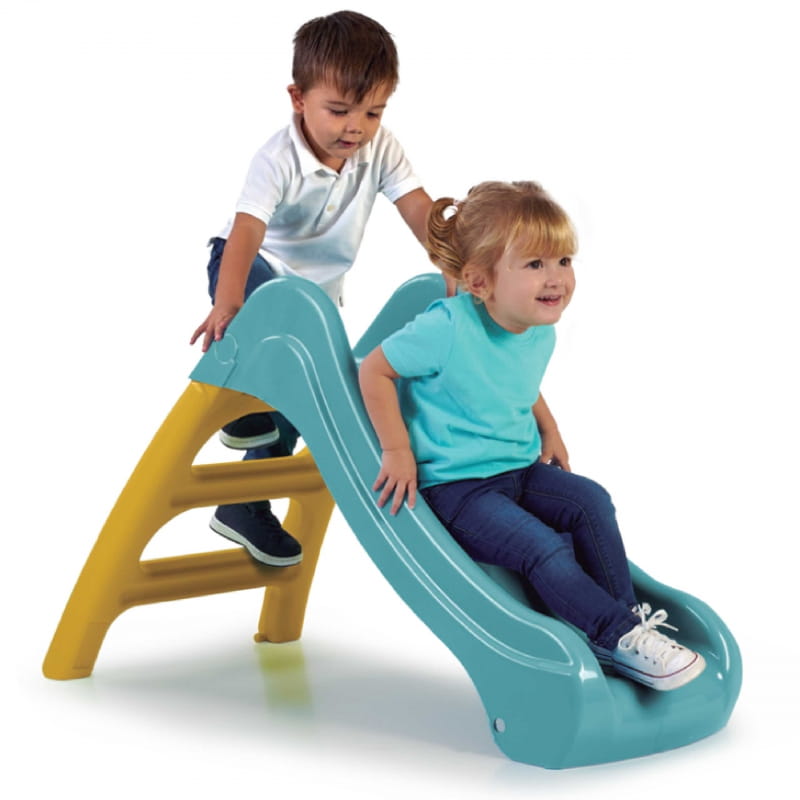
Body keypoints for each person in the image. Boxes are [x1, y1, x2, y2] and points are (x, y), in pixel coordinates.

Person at [358, 181, 706, 691]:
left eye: (563, 260)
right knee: (542, 548)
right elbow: (374, 369)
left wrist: (549, 426)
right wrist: (396, 450)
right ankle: (615, 634)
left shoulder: (538, 327)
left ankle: (625, 625)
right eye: (535, 264)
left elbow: (516, 382)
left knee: (591, 501)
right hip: (457, 489)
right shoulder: (445, 328)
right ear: (480, 282)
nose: (556, 277)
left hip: (518, 470)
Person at [188, 11, 434, 567]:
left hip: (315, 301)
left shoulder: (380, 149)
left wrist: (456, 258)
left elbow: (418, 209)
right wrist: (228, 302)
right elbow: (247, 230)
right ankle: (244, 400)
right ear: (298, 98)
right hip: (249, 269)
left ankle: (244, 503)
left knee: (306, 403)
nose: (357, 127)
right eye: (339, 110)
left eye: (373, 112)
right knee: (269, 308)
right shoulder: (276, 159)